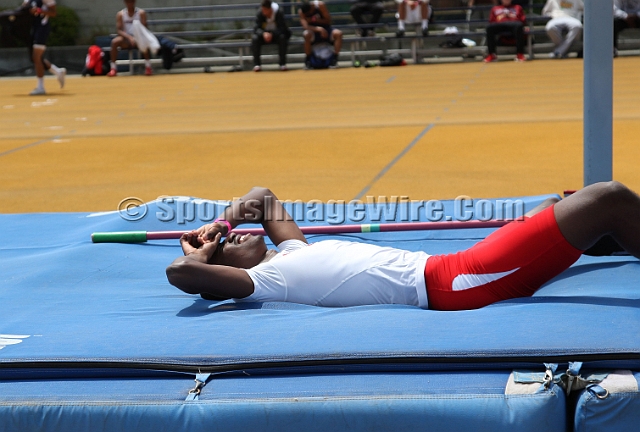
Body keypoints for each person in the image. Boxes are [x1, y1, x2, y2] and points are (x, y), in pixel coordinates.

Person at [166, 181, 640, 312]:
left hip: (457, 266)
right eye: (230, 242)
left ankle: (602, 238)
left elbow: (261, 198)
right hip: (458, 282)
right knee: (607, 198)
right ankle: (608, 227)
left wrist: (213, 227)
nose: (239, 233)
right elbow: (180, 275)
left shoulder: (288, 253)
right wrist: (199, 256)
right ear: (222, 269)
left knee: (552, 203)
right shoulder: (264, 281)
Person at [22, 0, 66, 96]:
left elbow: (53, 13)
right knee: (35, 58)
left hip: (42, 28)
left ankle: (41, 87)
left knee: (36, 57)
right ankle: (58, 71)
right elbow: (24, 9)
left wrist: (39, 11)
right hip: (32, 28)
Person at [107, 0, 153, 77]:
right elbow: (119, 30)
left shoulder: (141, 13)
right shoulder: (121, 14)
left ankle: (148, 67)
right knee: (114, 42)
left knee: (145, 42)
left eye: (131, 2)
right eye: (128, 2)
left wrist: (136, 37)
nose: (130, 4)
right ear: (125, 3)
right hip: (127, 39)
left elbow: (144, 28)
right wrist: (129, 37)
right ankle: (113, 68)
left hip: (139, 39)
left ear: (134, 2)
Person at [299, 0, 342, 69]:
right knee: (306, 35)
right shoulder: (301, 11)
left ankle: (334, 60)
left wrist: (316, 20)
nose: (308, 14)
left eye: (309, 12)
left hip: (326, 29)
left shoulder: (320, 5)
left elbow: (328, 20)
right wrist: (318, 29)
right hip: (313, 31)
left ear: (312, 8)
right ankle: (308, 61)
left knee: (338, 33)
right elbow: (305, 26)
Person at [252, 0, 291, 72]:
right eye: (262, 10)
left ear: (270, 9)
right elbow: (256, 28)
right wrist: (263, 33)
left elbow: (283, 28)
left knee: (282, 38)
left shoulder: (278, 13)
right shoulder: (260, 13)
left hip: (276, 35)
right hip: (264, 36)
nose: (263, 12)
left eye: (265, 10)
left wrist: (272, 34)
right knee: (255, 39)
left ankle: (282, 64)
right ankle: (257, 65)